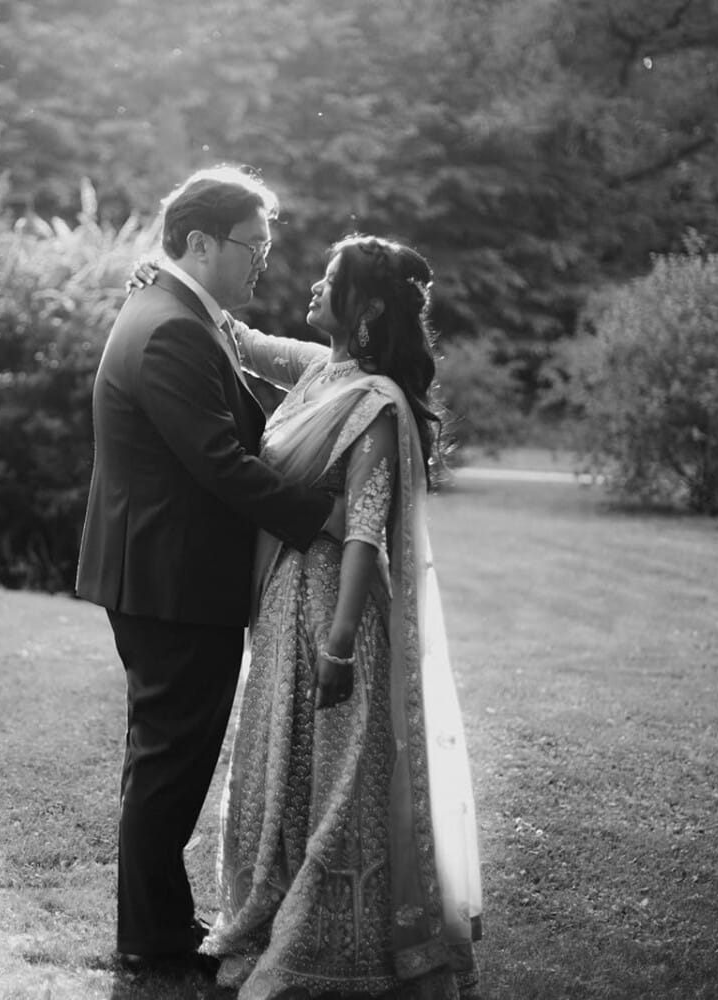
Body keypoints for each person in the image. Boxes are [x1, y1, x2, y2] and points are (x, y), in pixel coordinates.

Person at [197, 235, 484, 998]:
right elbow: (244, 342)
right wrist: (171, 281)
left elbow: (362, 531)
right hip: (281, 598)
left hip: (333, 608)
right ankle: (264, 902)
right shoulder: (322, 371)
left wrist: (341, 644)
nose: (315, 288)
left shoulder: (377, 405)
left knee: (332, 776)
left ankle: (334, 936)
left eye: (332, 281)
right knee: (274, 761)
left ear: (367, 310)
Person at [75, 166, 335, 973]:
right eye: (252, 245)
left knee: (164, 755)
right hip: (173, 581)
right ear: (199, 242)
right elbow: (219, 461)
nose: (262, 260)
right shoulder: (173, 326)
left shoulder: (180, 309)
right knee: (170, 760)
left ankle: (156, 926)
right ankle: (151, 941)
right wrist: (321, 517)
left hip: (163, 573)